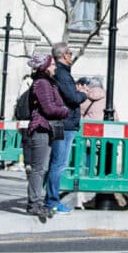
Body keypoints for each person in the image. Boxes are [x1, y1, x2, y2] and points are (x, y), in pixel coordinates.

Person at [20, 51, 68, 223]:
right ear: (45, 66)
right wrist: (65, 111)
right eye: (53, 64)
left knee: (43, 167)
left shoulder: (49, 82)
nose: (55, 66)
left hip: (47, 128)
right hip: (40, 127)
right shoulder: (42, 83)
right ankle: (33, 203)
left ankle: (37, 201)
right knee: (38, 168)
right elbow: (48, 108)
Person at [40, 43, 83, 211]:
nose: (71, 56)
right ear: (64, 55)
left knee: (55, 162)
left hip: (60, 123)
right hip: (65, 124)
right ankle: (52, 201)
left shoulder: (57, 73)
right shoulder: (63, 74)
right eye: (70, 53)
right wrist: (83, 93)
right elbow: (73, 98)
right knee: (59, 163)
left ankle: (48, 198)